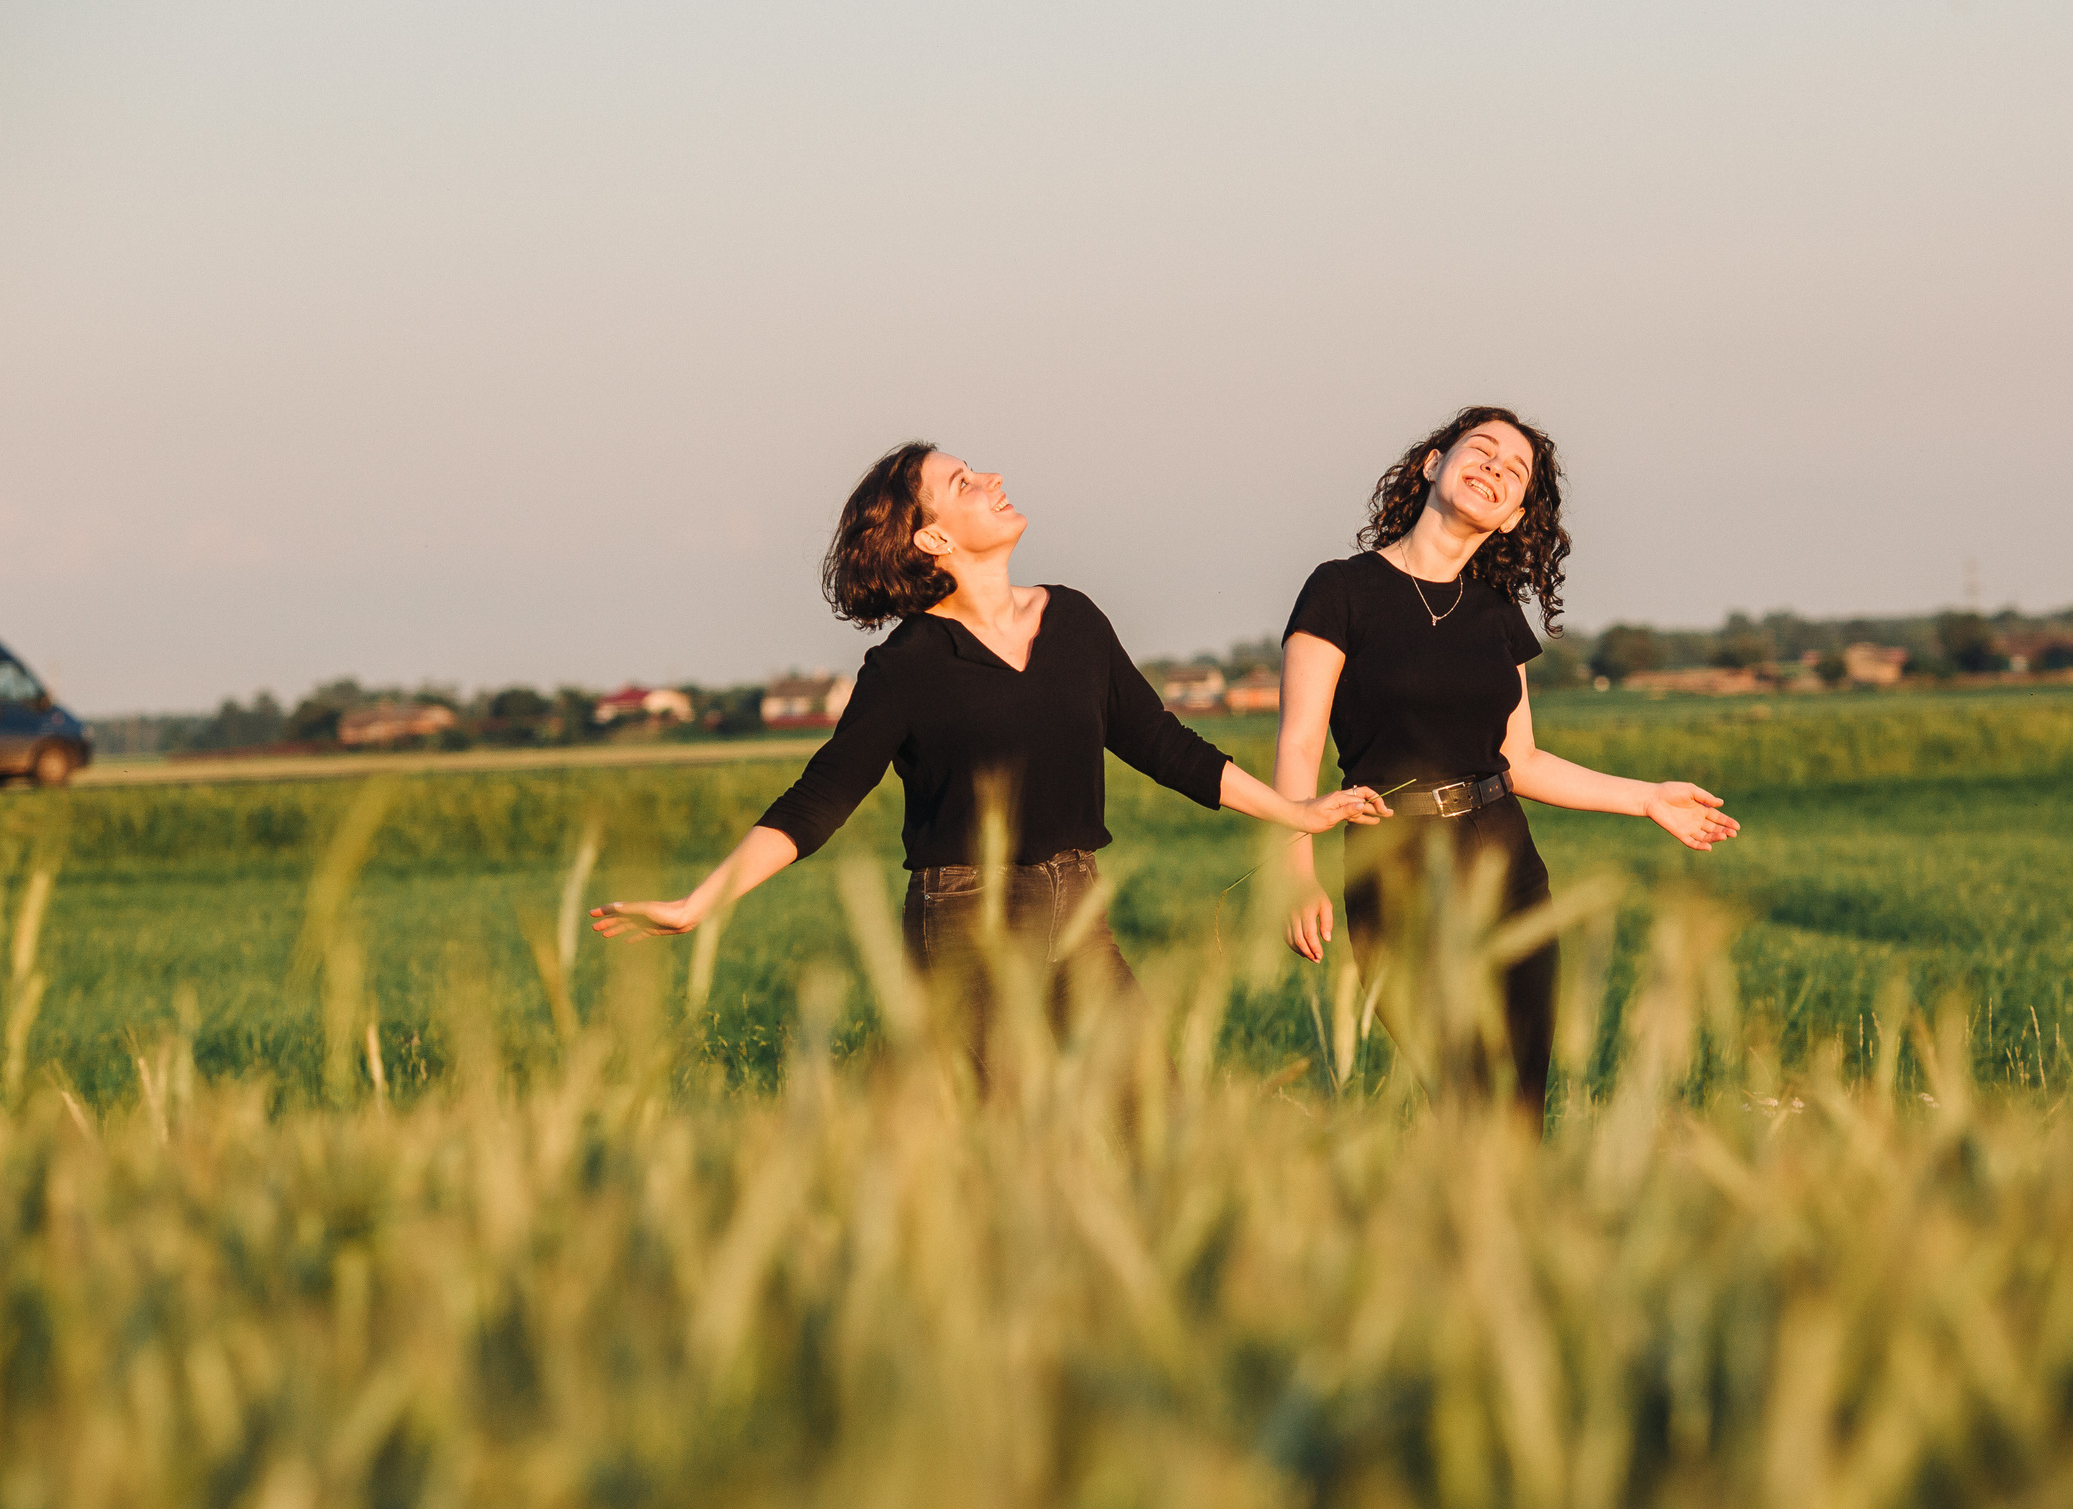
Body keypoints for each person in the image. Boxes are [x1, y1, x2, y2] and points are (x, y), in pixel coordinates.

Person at [592, 440, 1388, 1043]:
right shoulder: (904, 667)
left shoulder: (1074, 618)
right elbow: (819, 798)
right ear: (932, 540)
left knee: (1155, 1118)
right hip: (964, 921)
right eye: (961, 485)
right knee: (1006, 1145)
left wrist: (1298, 813)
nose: (992, 479)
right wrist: (700, 903)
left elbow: (1164, 745)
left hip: (1079, 908)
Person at [1275, 406, 1740, 1126]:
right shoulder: (1340, 589)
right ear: (1433, 463)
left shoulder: (1494, 611)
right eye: (1481, 449)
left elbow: (1519, 760)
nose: (1494, 467)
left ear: (1515, 514)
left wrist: (1647, 797)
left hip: (1508, 866)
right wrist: (1295, 871)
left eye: (1513, 470)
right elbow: (1300, 746)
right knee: (1463, 1100)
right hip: (1395, 865)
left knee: (1518, 1113)